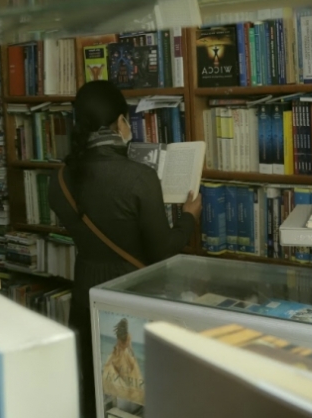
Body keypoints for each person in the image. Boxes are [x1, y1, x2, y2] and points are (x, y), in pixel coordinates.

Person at [48, 80, 202, 417]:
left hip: (85, 288)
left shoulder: (58, 180)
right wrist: (188, 219)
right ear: (119, 121)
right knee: (133, 393)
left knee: (95, 387)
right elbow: (164, 251)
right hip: (131, 291)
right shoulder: (139, 177)